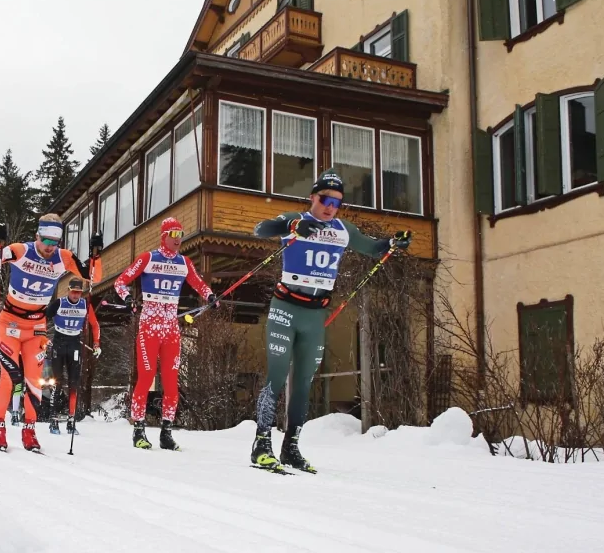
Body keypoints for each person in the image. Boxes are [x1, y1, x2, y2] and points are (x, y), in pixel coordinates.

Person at [250, 170, 411, 473]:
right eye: (324, 199)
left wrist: (393, 242)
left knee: (303, 385)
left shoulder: (342, 229)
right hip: (285, 308)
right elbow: (261, 229)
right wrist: (294, 226)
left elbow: (372, 247)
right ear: (312, 197)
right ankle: (261, 444)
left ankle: (291, 448)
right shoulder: (295, 219)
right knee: (277, 374)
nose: (329, 206)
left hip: (315, 315)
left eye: (336, 202)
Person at [0, 213, 102, 451]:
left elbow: (93, 277)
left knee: (34, 380)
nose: (49, 247)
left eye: (55, 243)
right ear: (37, 236)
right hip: (10, 322)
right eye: (46, 241)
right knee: (8, 377)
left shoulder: (64, 258)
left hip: (36, 326)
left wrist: (96, 255)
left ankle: (30, 430)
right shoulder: (19, 250)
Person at [114, 217, 215, 451]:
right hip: (149, 325)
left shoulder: (184, 263)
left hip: (171, 327)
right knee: (146, 378)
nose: (178, 239)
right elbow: (120, 282)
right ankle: (138, 429)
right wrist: (128, 299)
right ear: (164, 236)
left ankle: (166, 433)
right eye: (174, 235)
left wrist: (210, 296)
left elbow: (199, 284)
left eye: (181, 234)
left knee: (171, 383)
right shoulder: (148, 258)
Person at [44, 276, 102, 436]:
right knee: (56, 382)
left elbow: (95, 325)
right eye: (73, 292)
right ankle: (53, 419)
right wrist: (42, 337)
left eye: (78, 292)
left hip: (75, 343)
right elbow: (43, 316)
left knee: (74, 383)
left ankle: (71, 420)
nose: (76, 295)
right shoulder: (59, 303)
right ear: (68, 290)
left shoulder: (85, 304)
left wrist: (96, 343)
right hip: (59, 342)